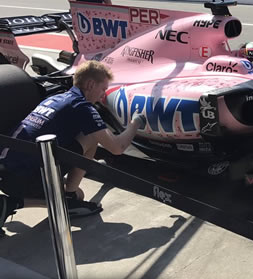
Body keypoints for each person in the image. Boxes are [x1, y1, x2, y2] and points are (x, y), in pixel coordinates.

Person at [0, 61, 146, 234]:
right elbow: (117, 148)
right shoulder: (81, 107)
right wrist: (136, 123)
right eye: (102, 89)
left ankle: (18, 202)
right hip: (24, 179)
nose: (102, 95)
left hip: (7, 173)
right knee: (91, 137)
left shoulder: (55, 98)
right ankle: (60, 200)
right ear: (90, 84)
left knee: (79, 194)